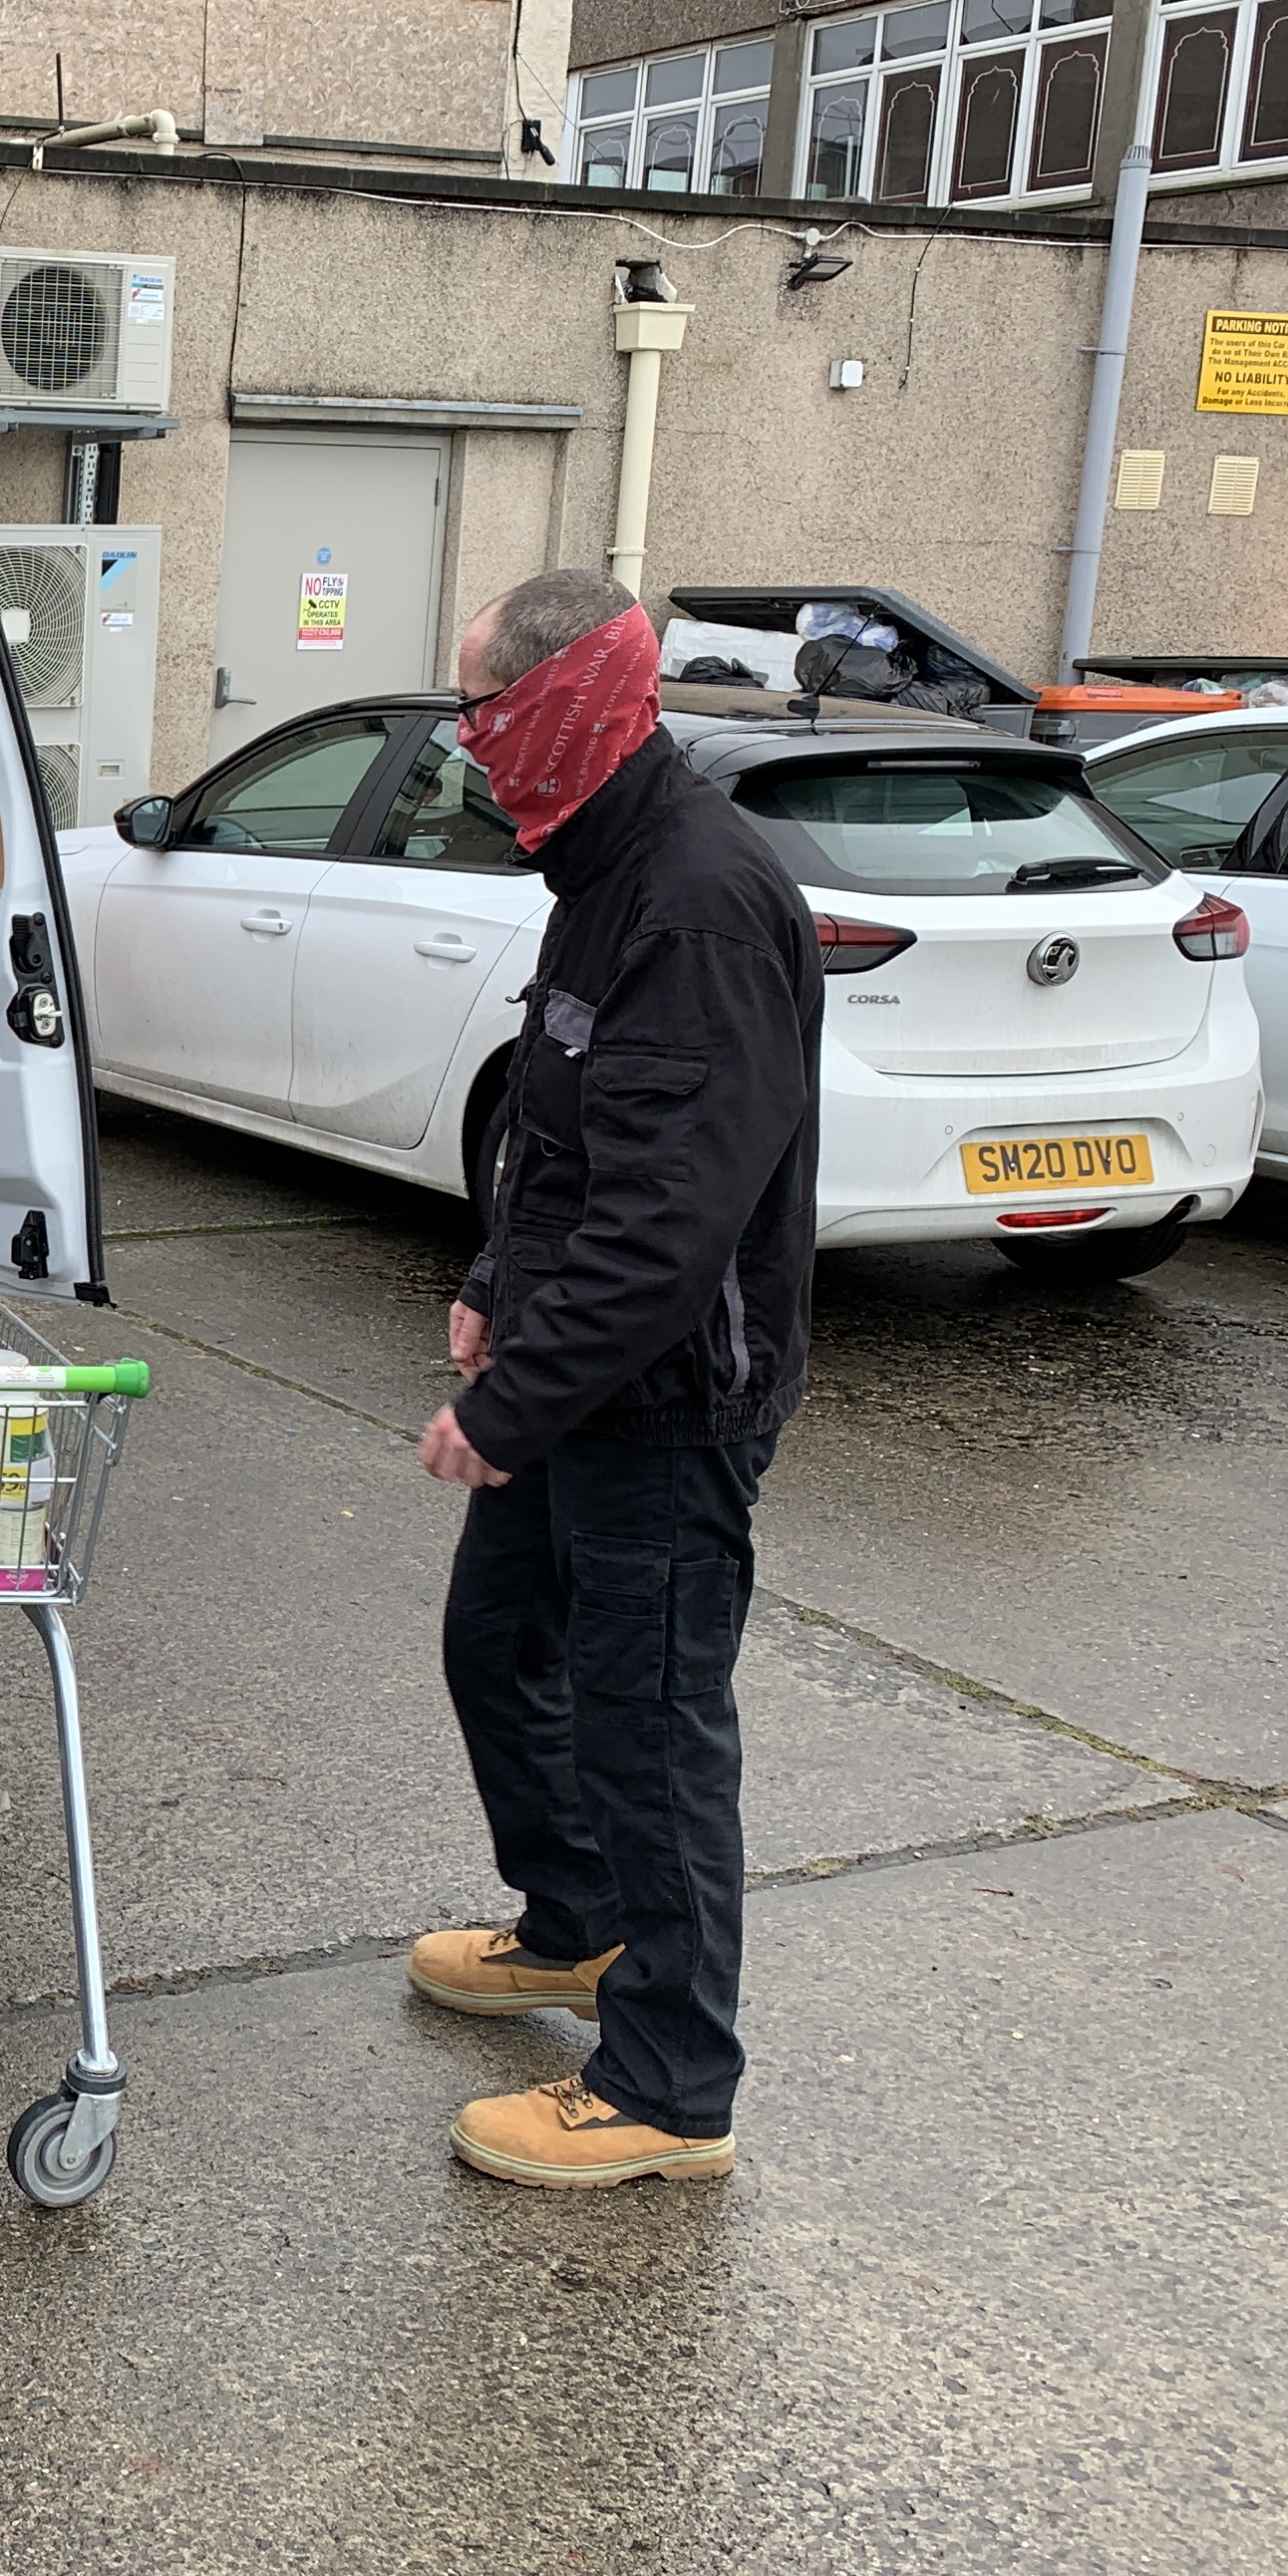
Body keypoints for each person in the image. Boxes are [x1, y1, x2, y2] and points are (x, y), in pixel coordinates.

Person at [408, 566, 818, 2192]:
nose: (466, 742)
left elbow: (667, 1221)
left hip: (663, 1405)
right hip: (580, 1375)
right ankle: (575, 1919)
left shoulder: (694, 898)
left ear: (560, 704)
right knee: (496, 1639)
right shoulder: (601, 866)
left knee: (652, 1730)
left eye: (479, 708)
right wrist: (494, 1285)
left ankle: (666, 2085)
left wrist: (504, 1407)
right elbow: (572, 1147)